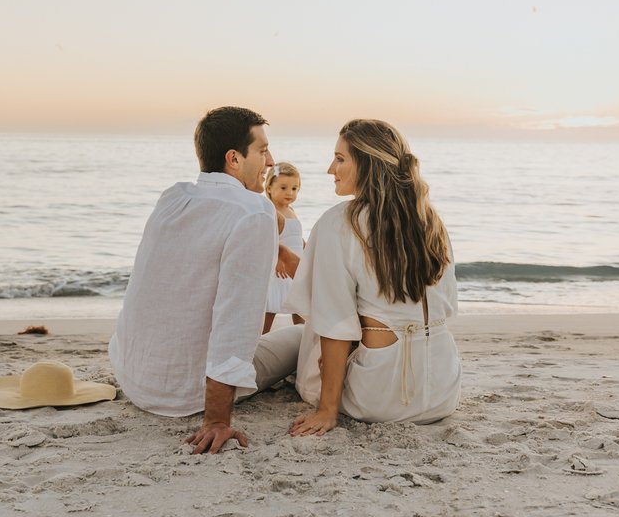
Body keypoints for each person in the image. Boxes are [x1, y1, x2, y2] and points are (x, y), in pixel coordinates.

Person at [108, 106, 299, 454]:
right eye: (261, 150)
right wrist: (216, 421)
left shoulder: (173, 198)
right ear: (234, 159)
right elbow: (235, 321)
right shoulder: (253, 213)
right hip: (186, 394)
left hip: (134, 377)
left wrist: (277, 240)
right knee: (304, 335)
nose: (270, 160)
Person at [285, 119, 461, 436]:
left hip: (379, 396)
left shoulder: (339, 223)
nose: (330, 169)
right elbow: (448, 305)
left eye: (340, 159)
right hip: (442, 391)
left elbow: (334, 324)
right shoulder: (430, 218)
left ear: (367, 164)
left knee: (307, 333)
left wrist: (327, 411)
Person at [263, 162, 306, 334]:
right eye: (283, 187)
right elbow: (268, 240)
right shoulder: (271, 211)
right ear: (269, 189)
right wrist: (277, 260)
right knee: (272, 303)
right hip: (279, 267)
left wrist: (306, 247)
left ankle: (301, 334)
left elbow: (294, 235)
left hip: (295, 266)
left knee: (299, 304)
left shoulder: (291, 210)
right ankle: (261, 337)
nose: (290, 193)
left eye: (295, 188)